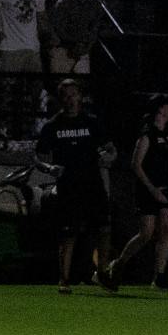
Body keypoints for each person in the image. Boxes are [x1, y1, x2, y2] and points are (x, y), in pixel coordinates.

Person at [36, 78, 111, 293]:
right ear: (61, 99)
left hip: (93, 183)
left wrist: (109, 156)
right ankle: (64, 279)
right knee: (68, 234)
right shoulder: (53, 126)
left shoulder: (91, 122)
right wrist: (49, 168)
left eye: (73, 95)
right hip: (68, 186)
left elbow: (109, 148)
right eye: (66, 96)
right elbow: (38, 157)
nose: (70, 100)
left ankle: (103, 272)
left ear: (80, 97)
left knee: (104, 228)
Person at [106, 98, 168, 290]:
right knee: (146, 233)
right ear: (160, 110)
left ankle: (159, 275)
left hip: (164, 188)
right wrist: (152, 190)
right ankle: (118, 264)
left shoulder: (166, 136)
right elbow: (136, 165)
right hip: (148, 189)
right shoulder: (146, 136)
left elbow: (162, 162)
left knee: (166, 230)